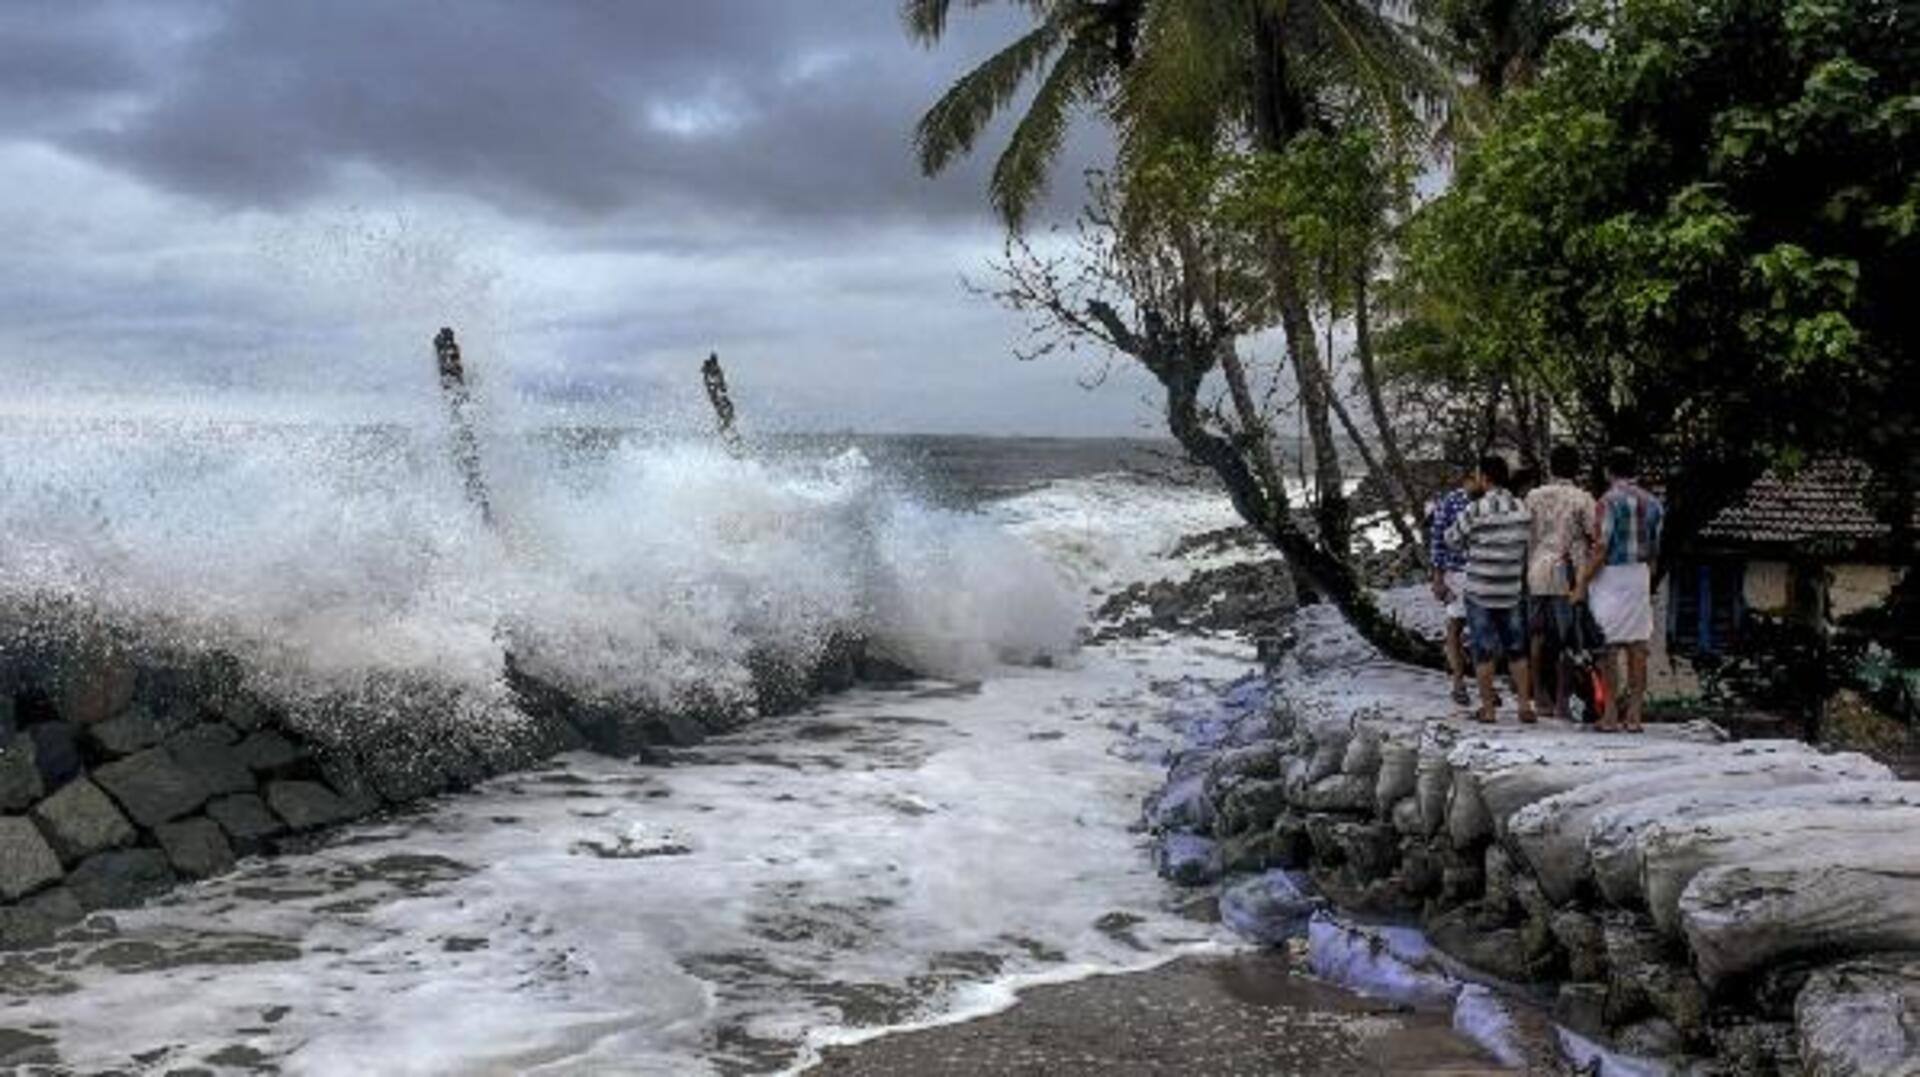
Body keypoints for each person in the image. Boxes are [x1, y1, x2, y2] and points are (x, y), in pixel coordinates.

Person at [1574, 447, 1665, 733]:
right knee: (1638, 646)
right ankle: (1635, 715)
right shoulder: (1653, 503)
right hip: (1639, 574)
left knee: (1608, 646)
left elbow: (1601, 549)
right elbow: (1655, 548)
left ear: (1608, 471)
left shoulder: (1607, 502)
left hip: (1611, 576)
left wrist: (1582, 583)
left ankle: (1611, 713)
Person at [1445, 453, 1535, 724]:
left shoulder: (1475, 509)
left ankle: (1489, 709)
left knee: (1483, 652)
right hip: (1510, 589)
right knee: (1517, 651)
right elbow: (1527, 541)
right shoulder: (1522, 508)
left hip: (1480, 591)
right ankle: (1524, 707)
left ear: (1485, 478)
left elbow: (1452, 540)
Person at [1524, 444, 1597, 721]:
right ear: (1577, 468)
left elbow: (1524, 534)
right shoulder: (1583, 499)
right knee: (1568, 639)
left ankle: (1539, 695)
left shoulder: (1533, 497)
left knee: (1537, 636)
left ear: (1550, 467)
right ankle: (1561, 701)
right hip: (1569, 575)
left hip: (1537, 572)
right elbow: (1595, 535)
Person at [1428, 471, 1474, 707]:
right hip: (1456, 573)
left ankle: (1482, 685)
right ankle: (1458, 682)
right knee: (1455, 627)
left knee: (1482, 630)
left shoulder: (1491, 500)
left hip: (1483, 572)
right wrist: (1437, 577)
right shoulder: (1450, 502)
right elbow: (1437, 540)